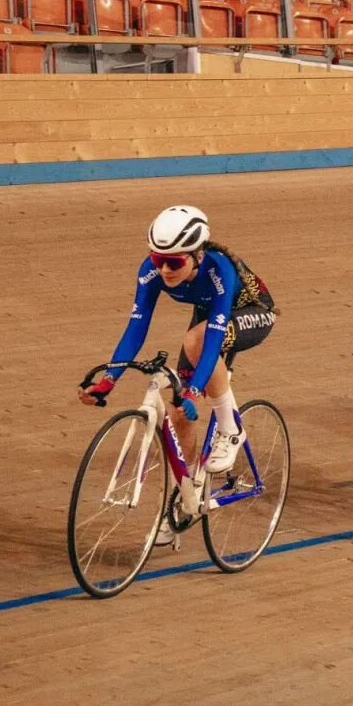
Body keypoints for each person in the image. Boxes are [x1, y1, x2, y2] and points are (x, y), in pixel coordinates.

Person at [80, 206, 276, 510]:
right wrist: (109, 380)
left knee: (195, 343)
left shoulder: (219, 270)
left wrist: (196, 390)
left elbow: (211, 338)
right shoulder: (151, 271)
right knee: (178, 415)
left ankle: (231, 428)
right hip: (206, 320)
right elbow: (136, 328)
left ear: (197, 255)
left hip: (251, 313)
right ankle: (182, 503)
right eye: (158, 260)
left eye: (173, 262)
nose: (164, 270)